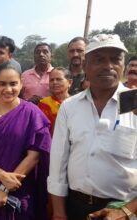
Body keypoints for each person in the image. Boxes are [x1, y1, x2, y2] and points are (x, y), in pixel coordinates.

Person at [48, 34, 137, 220]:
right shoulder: (69, 107)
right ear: (85, 65)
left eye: (115, 59)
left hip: (124, 208)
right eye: (99, 59)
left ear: (124, 64)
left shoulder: (135, 103)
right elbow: (58, 164)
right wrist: (58, 212)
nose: (108, 66)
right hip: (75, 206)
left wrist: (127, 210)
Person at [0, 63, 51, 220]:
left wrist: (4, 188)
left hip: (18, 184)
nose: (8, 89)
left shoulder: (32, 112)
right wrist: (0, 175)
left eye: (13, 84)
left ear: (21, 83)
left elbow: (33, 156)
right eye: (2, 84)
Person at [38, 67, 72, 135]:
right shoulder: (44, 103)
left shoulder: (77, 103)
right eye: (51, 80)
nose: (54, 82)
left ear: (69, 82)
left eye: (58, 79)